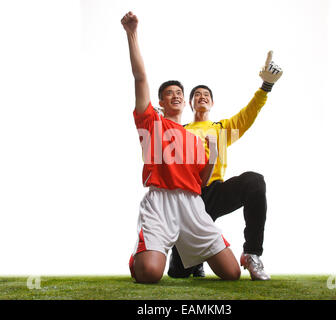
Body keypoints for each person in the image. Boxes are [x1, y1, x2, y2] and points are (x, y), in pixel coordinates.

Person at [121, 11, 240, 284]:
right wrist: (132, 34)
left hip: (192, 206)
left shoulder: (194, 139)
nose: (175, 95)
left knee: (232, 274)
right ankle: (138, 258)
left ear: (184, 103)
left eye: (179, 93)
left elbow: (202, 180)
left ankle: (187, 253)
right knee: (150, 274)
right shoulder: (152, 121)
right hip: (160, 203)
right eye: (169, 93)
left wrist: (215, 153)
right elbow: (140, 78)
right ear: (160, 102)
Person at [167, 52, 283, 280]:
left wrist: (266, 85)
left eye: (206, 95)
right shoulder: (181, 131)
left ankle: (251, 254)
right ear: (190, 103)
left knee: (254, 181)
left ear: (211, 102)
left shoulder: (221, 128)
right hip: (189, 198)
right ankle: (193, 260)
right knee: (178, 273)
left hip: (216, 192)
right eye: (197, 95)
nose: (201, 97)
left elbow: (247, 115)